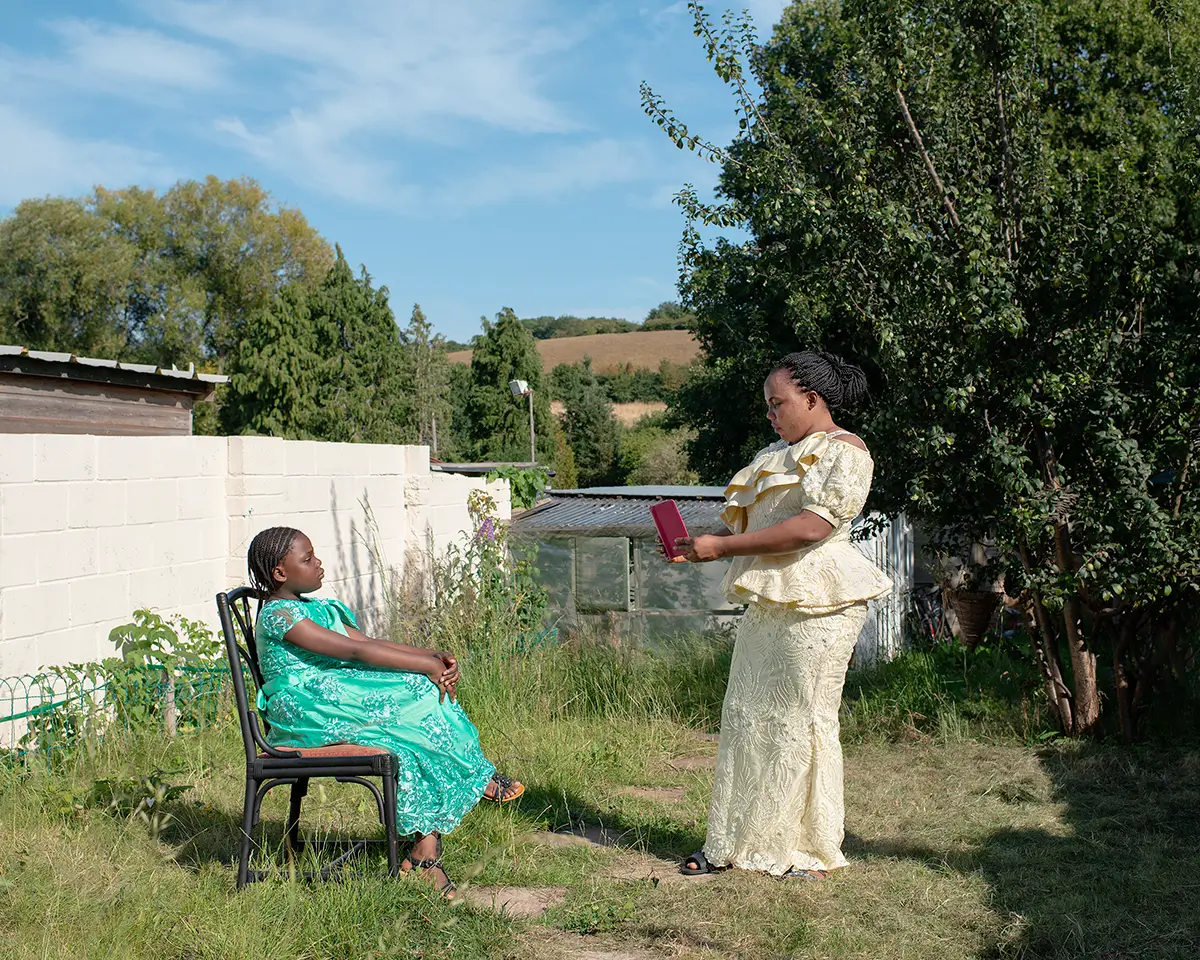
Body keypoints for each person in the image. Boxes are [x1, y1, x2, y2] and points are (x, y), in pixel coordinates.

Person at [672, 351, 891, 880]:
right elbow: (766, 524)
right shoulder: (777, 453)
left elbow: (812, 527)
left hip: (822, 602)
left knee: (800, 719)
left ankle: (802, 849)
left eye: (778, 404)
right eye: (768, 407)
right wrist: (701, 544)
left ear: (812, 399)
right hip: (773, 600)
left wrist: (722, 551)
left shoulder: (847, 451)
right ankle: (734, 843)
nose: (771, 415)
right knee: (748, 715)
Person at [246, 525, 524, 898]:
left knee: (413, 712)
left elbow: (367, 642)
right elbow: (352, 653)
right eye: (308, 559)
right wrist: (424, 668)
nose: (319, 563)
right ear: (280, 573)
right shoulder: (280, 615)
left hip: (328, 695)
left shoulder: (310, 607)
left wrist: (428, 657)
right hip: (303, 709)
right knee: (416, 691)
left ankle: (429, 846)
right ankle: (473, 782)